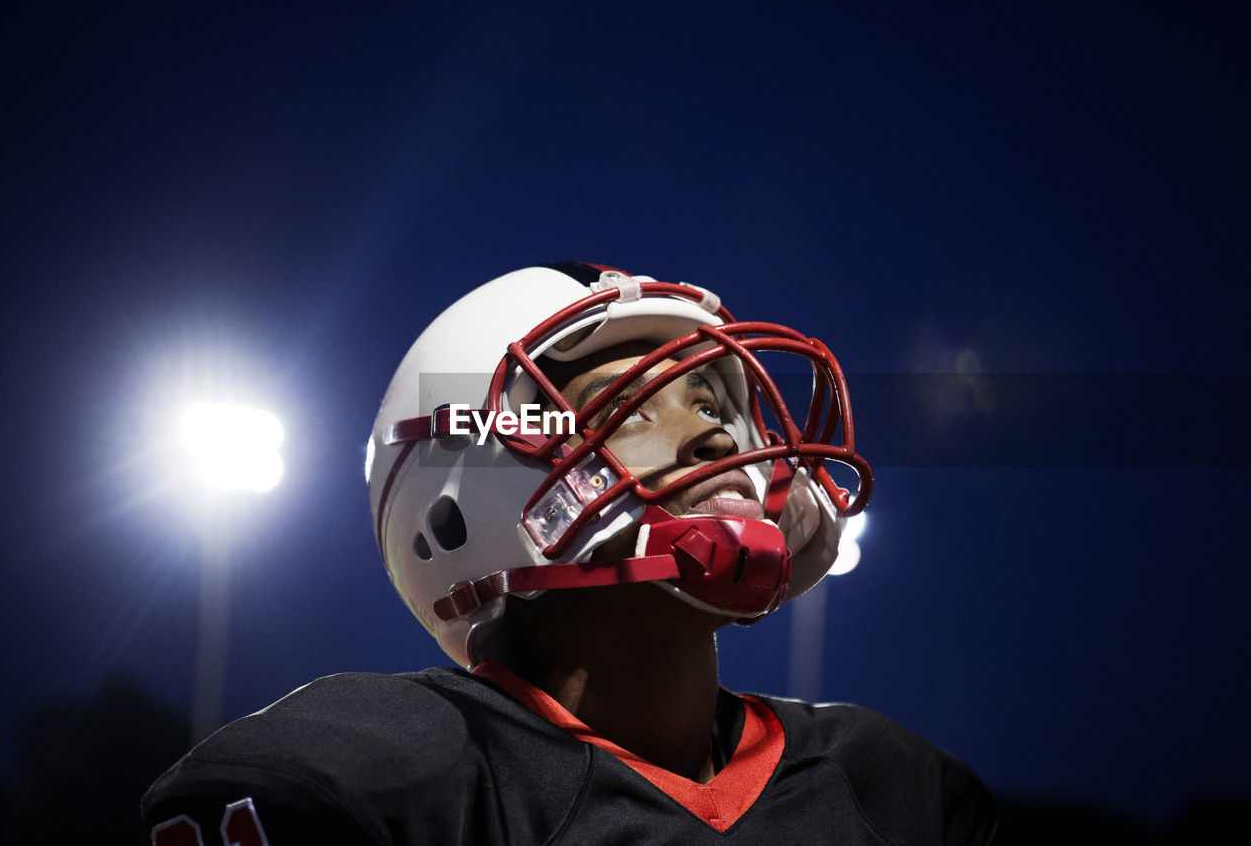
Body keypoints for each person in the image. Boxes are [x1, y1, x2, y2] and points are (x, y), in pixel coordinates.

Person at [142, 262, 997, 844]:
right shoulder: (378, 779)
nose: (709, 432)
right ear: (462, 501)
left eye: (709, 398)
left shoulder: (896, 787)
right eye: (631, 408)